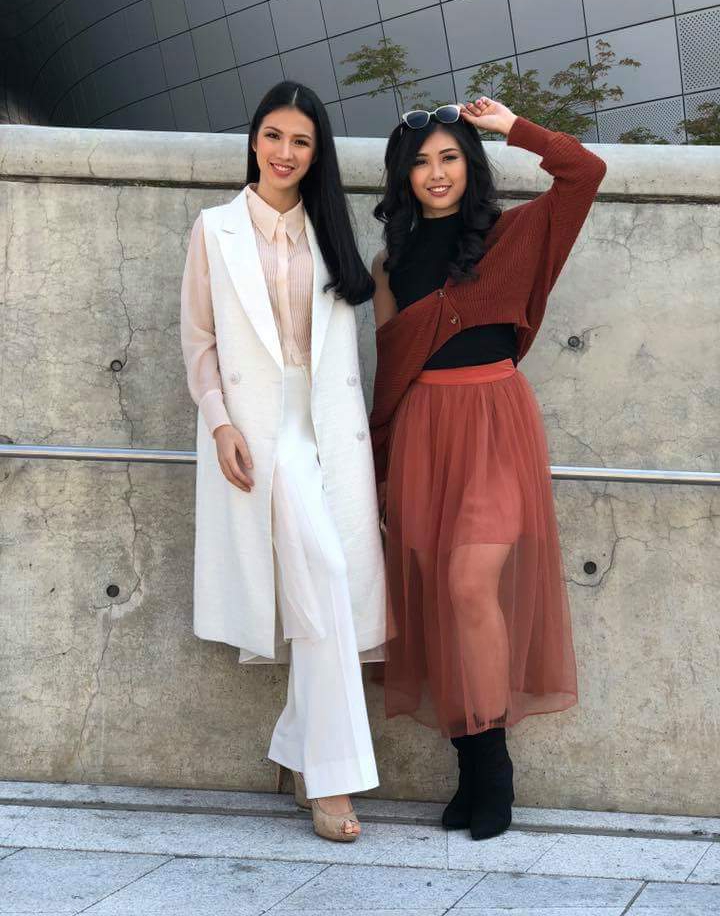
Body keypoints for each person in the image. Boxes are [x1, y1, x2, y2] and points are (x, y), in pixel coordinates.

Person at [370, 97, 607, 840]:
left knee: (470, 585)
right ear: (402, 176)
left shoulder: (514, 235)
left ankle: (493, 768)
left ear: (470, 166)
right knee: (440, 598)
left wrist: (513, 128)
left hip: (496, 423)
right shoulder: (390, 264)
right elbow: (389, 372)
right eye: (420, 162)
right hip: (421, 429)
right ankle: (469, 766)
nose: (435, 173)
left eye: (449, 157)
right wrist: (380, 471)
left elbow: (585, 172)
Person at [180, 81, 386, 843]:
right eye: (273, 136)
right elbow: (198, 341)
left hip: (329, 426)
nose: (284, 152)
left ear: (316, 152)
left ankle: (303, 751)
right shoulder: (216, 229)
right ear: (254, 140)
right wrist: (220, 423)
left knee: (326, 594)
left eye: (301, 141)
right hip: (261, 431)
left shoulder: (330, 232)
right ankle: (331, 779)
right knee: (326, 578)